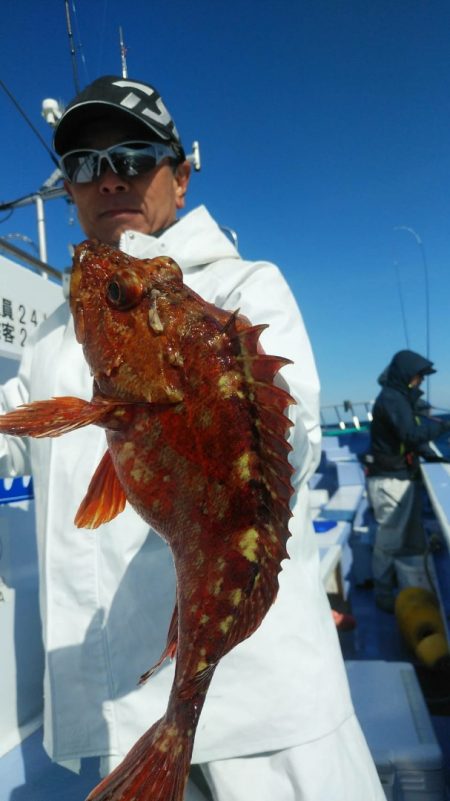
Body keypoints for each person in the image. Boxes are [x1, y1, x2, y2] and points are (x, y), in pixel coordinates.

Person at [0, 75, 384, 800]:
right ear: (68, 190)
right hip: (111, 720)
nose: (107, 177)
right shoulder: (60, 332)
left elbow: (290, 432)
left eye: (134, 156)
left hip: (264, 724)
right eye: (83, 165)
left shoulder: (242, 290)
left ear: (180, 178)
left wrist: (188, 413)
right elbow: (14, 427)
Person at [367, 349, 450, 613]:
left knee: (407, 540)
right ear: (407, 375)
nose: (420, 382)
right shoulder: (392, 400)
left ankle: (406, 589)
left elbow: (405, 440)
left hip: (400, 478)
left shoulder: (398, 399)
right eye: (418, 377)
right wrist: (445, 426)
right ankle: (382, 594)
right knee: (388, 542)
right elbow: (411, 434)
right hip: (390, 482)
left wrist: (430, 456)